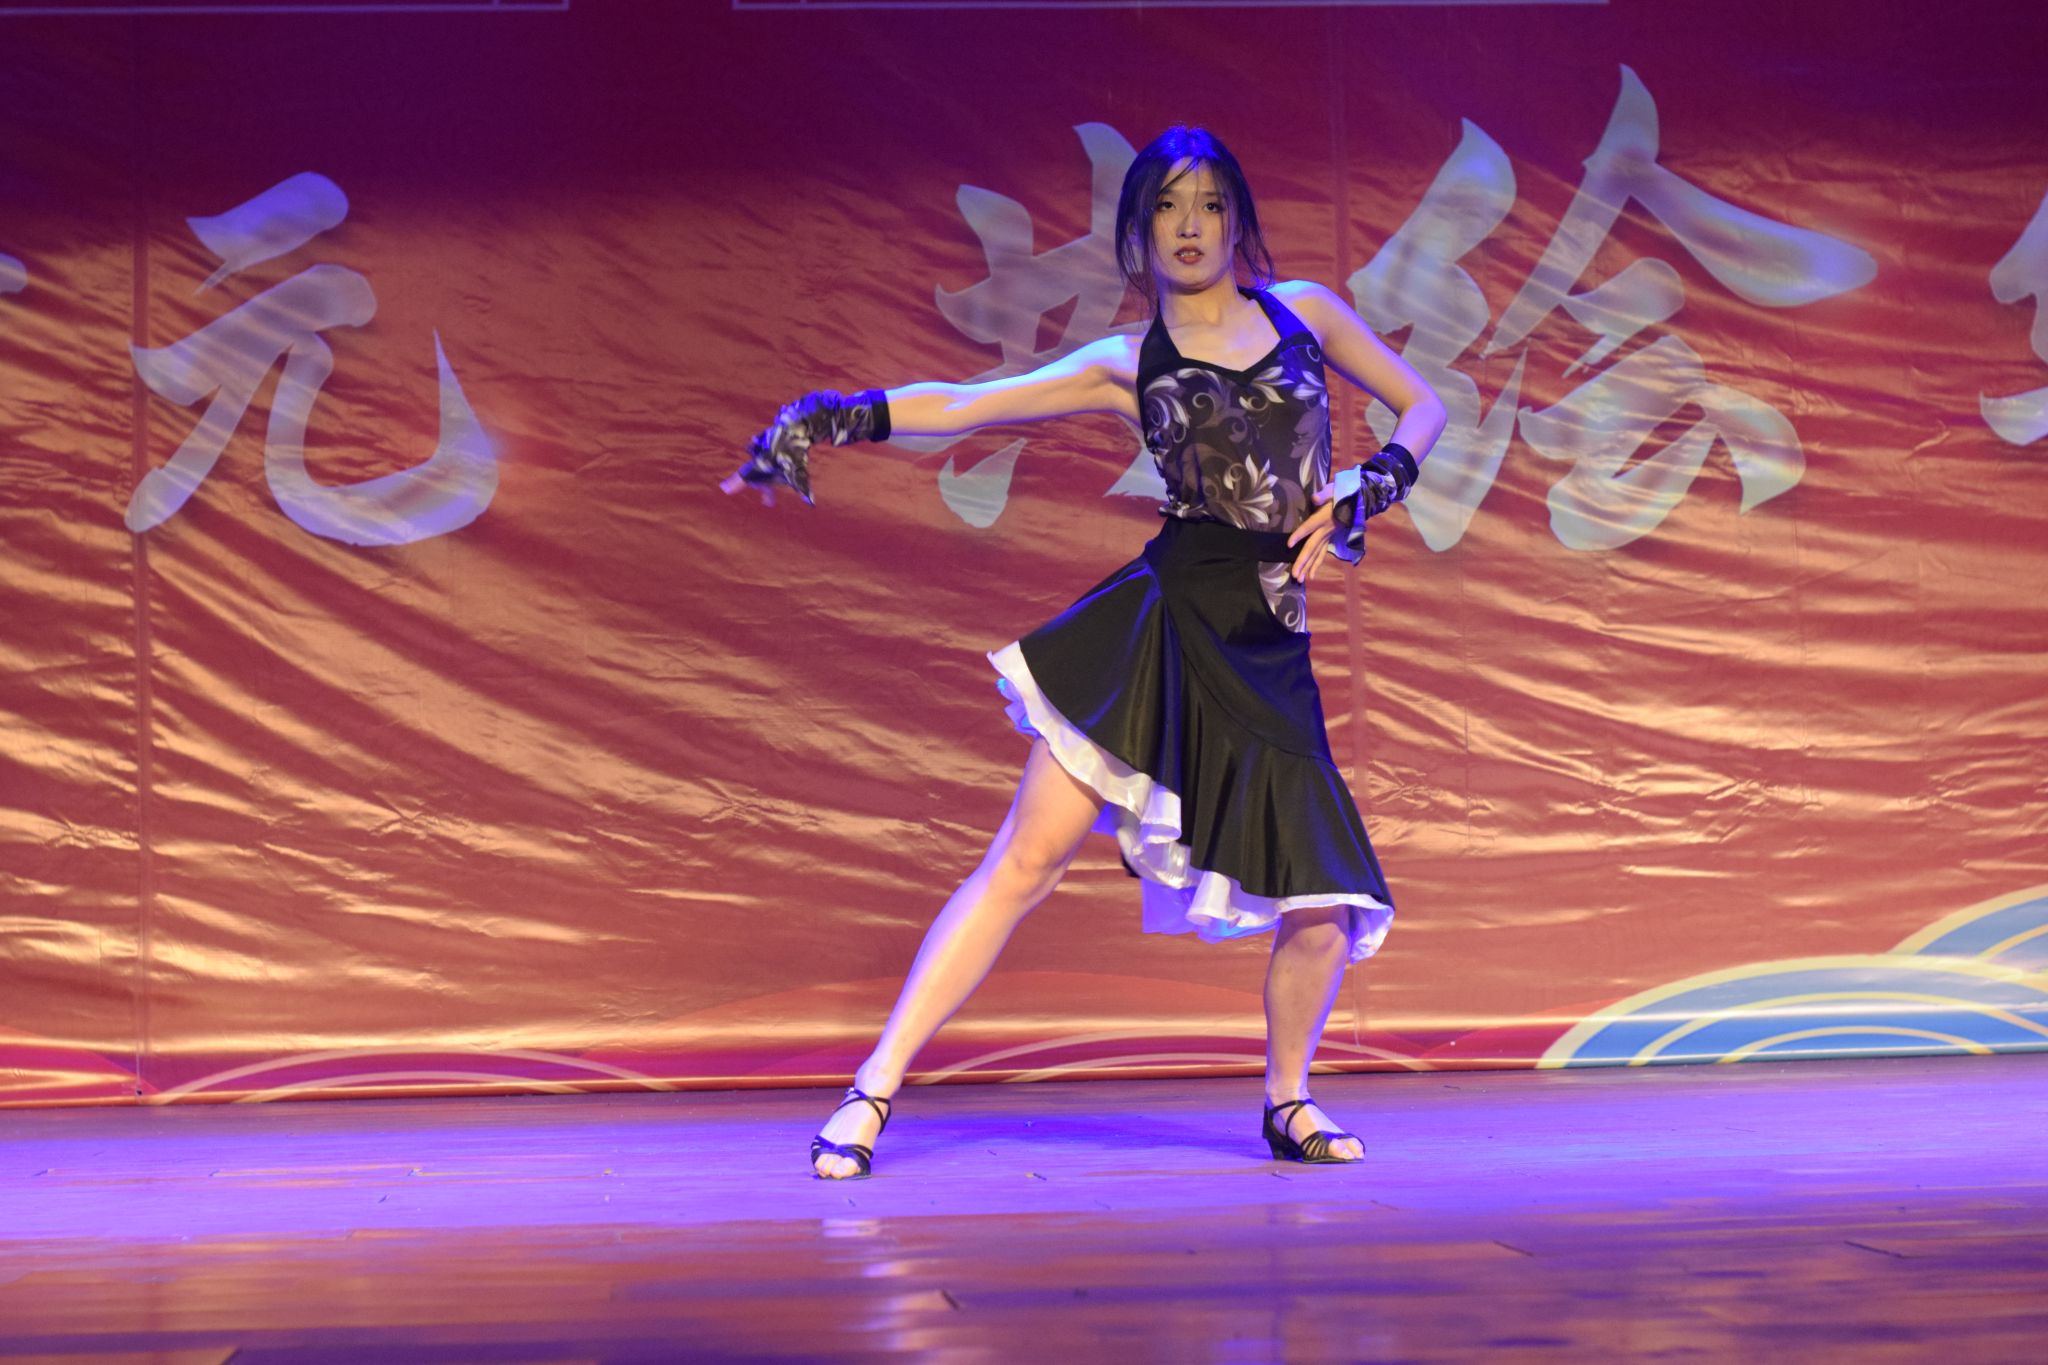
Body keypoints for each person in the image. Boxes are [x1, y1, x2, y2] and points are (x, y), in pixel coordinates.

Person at [723, 126, 1447, 1180]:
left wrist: (1372, 484)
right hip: (1156, 632)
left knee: (1327, 907)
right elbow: (966, 405)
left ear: (1238, 219)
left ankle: (1286, 1099)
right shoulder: (1128, 362)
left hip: (1267, 645)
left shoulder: (1307, 313)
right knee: (1023, 862)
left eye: (1208, 204)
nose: (1189, 226)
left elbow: (1424, 405)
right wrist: (828, 419)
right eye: (1166, 207)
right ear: (1137, 231)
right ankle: (871, 1088)